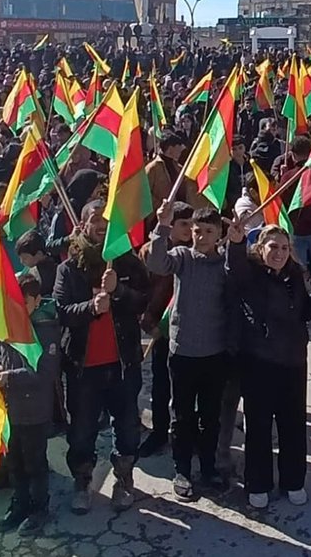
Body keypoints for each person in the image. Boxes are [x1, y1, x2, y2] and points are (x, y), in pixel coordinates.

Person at [54, 200, 149, 513]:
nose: (101, 227)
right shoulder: (68, 268)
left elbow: (143, 302)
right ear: (82, 225)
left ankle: (124, 479)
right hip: (84, 369)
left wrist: (119, 292)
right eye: (95, 220)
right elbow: (61, 312)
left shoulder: (128, 263)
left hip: (123, 365)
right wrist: (90, 308)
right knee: (82, 431)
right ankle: (82, 480)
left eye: (107, 222)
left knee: (127, 427)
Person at [227, 224, 311, 508]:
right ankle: (258, 483)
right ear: (261, 248)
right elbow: (233, 266)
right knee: (258, 427)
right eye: (273, 247)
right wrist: (235, 242)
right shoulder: (250, 273)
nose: (279, 252)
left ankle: (294, 480)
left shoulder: (295, 276)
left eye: (284, 247)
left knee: (293, 425)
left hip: (293, 362)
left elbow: (306, 312)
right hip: (259, 361)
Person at [145, 202, 232, 501]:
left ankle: (207, 468)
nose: (202, 237)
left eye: (209, 231)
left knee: (210, 417)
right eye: (197, 231)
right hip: (182, 352)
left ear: (218, 234)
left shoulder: (224, 264)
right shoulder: (182, 258)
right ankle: (181, 470)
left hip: (215, 353)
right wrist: (161, 226)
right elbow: (157, 263)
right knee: (181, 416)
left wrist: (239, 239)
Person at [0, 273, 62, 537]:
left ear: (36, 300)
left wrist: (9, 378)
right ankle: (19, 504)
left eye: (23, 301)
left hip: (35, 411)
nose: (17, 307)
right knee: (14, 462)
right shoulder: (8, 324)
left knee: (35, 463)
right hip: (11, 409)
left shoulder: (45, 329)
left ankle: (39, 508)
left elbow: (46, 373)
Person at [138, 202, 194, 457]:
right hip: (161, 330)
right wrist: (150, 324)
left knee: (186, 388)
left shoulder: (196, 252)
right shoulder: (151, 252)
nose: (189, 230)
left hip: (188, 331)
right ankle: (159, 432)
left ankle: (186, 432)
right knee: (160, 385)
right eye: (183, 224)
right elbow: (142, 292)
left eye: (192, 225)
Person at [15, 230, 58, 297]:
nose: (22, 262)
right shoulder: (32, 268)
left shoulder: (50, 272)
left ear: (39, 254)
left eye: (25, 258)